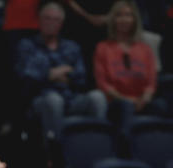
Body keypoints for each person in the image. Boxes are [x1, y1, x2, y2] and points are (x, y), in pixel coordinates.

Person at [16, 2, 108, 145]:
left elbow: (81, 78)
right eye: (47, 18)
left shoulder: (72, 46)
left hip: (71, 98)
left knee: (98, 97)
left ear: (61, 23)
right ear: (39, 20)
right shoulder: (27, 45)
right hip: (41, 100)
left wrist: (49, 75)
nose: (51, 23)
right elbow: (27, 76)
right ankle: (55, 153)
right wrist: (56, 72)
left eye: (56, 19)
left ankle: (98, 145)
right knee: (54, 99)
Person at [93, 0, 164, 134]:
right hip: (116, 103)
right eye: (119, 15)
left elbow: (151, 82)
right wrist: (126, 99)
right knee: (126, 107)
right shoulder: (103, 48)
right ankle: (126, 149)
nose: (124, 19)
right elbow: (103, 84)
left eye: (128, 15)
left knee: (160, 106)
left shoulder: (145, 49)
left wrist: (145, 98)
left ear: (134, 19)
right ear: (113, 19)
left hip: (141, 101)